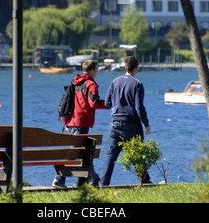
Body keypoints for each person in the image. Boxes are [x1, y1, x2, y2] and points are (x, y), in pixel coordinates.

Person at [52, 59, 109, 188]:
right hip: (82, 122)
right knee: (75, 152)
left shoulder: (75, 82)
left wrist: (66, 121)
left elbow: (67, 103)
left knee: (84, 152)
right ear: (92, 70)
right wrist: (109, 104)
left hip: (72, 121)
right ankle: (59, 179)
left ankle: (92, 179)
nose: (97, 73)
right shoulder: (91, 84)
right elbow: (94, 103)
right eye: (97, 70)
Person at [100, 56, 151, 186]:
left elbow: (107, 103)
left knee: (111, 154)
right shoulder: (137, 84)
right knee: (137, 151)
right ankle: (144, 180)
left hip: (115, 123)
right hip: (131, 123)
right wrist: (146, 124)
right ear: (136, 68)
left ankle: (103, 183)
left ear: (125, 67)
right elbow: (139, 107)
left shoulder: (114, 81)